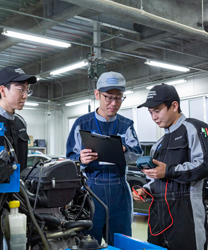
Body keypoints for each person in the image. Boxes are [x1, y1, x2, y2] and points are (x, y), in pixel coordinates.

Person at [66, 71, 143, 246]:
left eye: (119, 98)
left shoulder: (126, 125)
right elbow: (70, 159)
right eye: (108, 97)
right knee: (87, 242)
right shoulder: (82, 124)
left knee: (121, 242)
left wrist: (124, 149)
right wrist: (80, 159)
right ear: (97, 94)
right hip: (91, 191)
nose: (114, 103)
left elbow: (137, 154)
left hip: (119, 192)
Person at [133, 83, 208, 250]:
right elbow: (154, 177)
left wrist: (168, 171)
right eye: (150, 112)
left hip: (186, 211)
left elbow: (204, 164)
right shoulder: (157, 145)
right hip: (158, 214)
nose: (153, 117)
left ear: (174, 106)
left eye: (157, 111)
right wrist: (145, 190)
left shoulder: (195, 128)